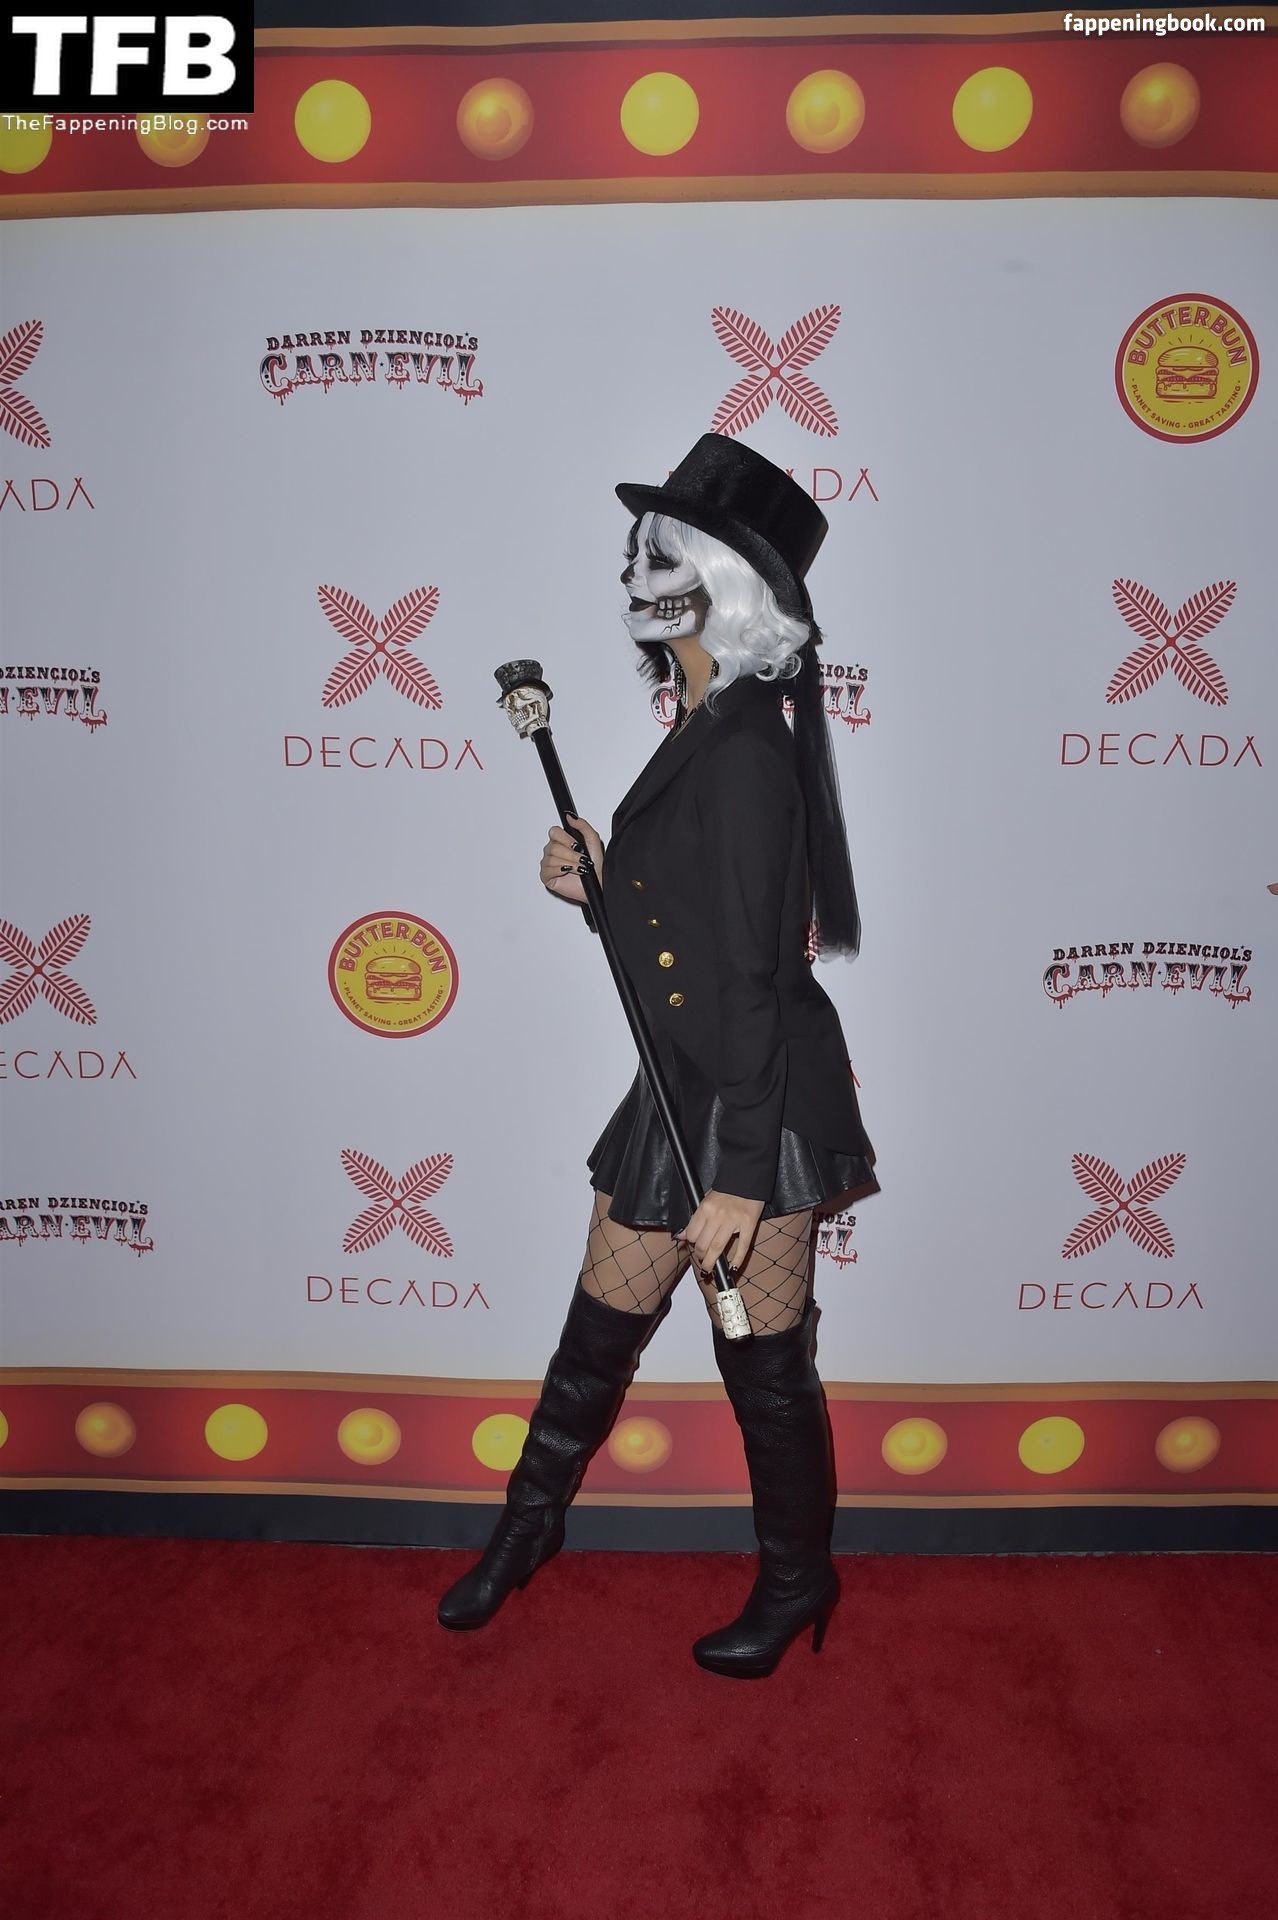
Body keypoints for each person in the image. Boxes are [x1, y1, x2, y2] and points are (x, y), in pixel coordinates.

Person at [437, 433, 878, 1677]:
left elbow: (748, 980)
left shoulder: (741, 750)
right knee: (599, 1330)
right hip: (686, 1079)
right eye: (636, 553)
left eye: (663, 556)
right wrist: (599, 887)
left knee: (764, 1370)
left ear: (723, 586)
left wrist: (739, 1178)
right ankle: (527, 1529)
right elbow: (688, 940)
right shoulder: (709, 720)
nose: (636, 574)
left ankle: (796, 1583)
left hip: (757, 1101)